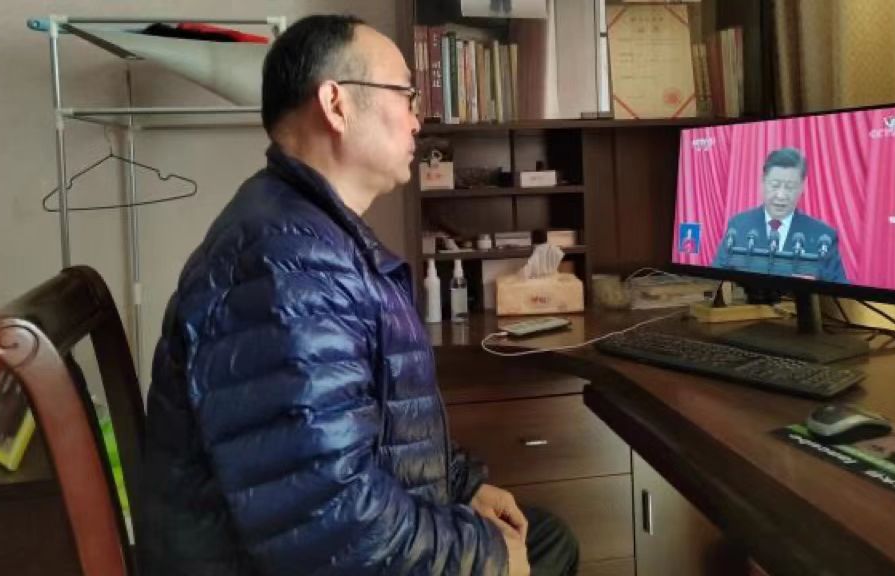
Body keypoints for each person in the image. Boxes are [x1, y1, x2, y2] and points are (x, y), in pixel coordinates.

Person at [141, 15, 578, 576]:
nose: (419, 119)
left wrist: (462, 486)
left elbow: (372, 425)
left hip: (325, 538)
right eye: (406, 95)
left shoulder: (308, 233)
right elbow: (329, 520)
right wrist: (480, 555)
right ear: (336, 104)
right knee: (543, 550)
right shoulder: (283, 264)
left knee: (543, 536)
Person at [713, 147, 848, 283]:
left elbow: (839, 288)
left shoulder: (823, 237)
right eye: (775, 185)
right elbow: (715, 280)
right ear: (763, 182)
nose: (781, 195)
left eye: (789, 187)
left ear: (802, 187)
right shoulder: (738, 226)